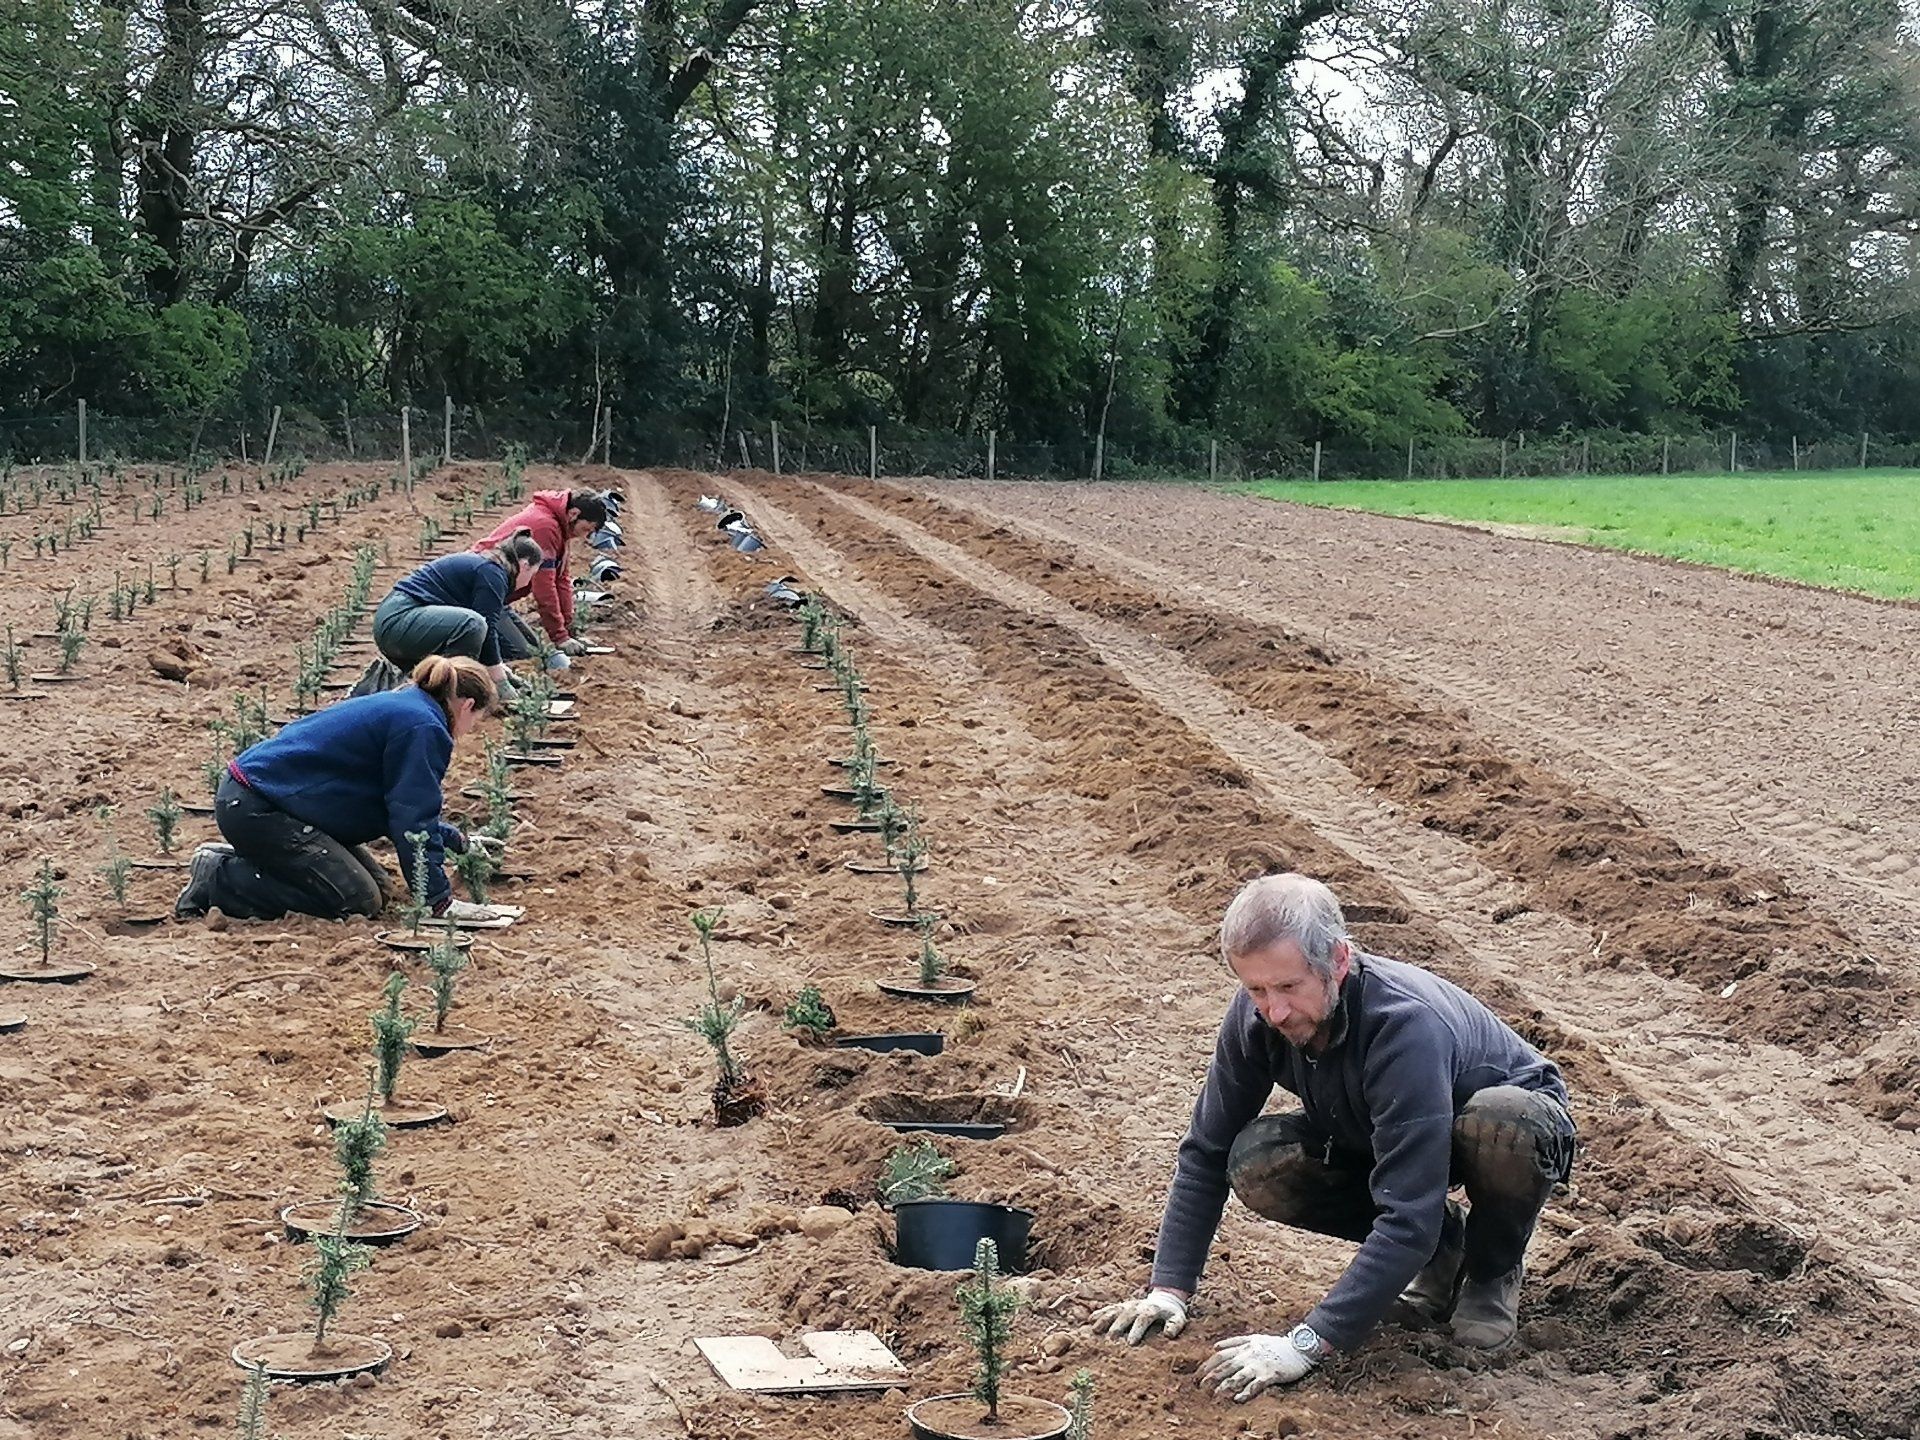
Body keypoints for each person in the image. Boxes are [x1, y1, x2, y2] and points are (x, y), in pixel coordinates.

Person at [1091, 873, 1574, 1402]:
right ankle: (1443, 1250)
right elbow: (1206, 1152)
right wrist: (1168, 1291)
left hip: (1500, 1126)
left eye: (1288, 987)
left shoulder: (1403, 1025)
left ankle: (1490, 1269)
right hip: (1387, 1125)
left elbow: (1406, 1217)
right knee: (1258, 1160)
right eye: (1256, 989)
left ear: (1338, 961)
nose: (1274, 1011)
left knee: (1503, 1123)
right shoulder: (1257, 1019)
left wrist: (1305, 1344)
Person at [173, 656, 513, 924]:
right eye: (477, 719)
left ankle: (244, 863)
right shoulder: (424, 727)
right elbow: (412, 816)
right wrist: (439, 902)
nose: (470, 730)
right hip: (260, 806)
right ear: (466, 705)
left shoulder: (412, 707)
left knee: (380, 890)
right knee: (356, 900)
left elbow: (397, 807)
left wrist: (457, 841)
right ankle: (219, 879)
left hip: (269, 799)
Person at [368, 529, 543, 700]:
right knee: (473, 624)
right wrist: (499, 680)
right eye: (532, 574)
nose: (529, 581)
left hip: (396, 620)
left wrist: (499, 668)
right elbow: (487, 627)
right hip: (399, 619)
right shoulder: (493, 573)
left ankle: (437, 693)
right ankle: (453, 694)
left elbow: (483, 637)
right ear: (524, 565)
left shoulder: (489, 567)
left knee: (473, 627)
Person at [471, 488, 607, 660]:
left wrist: (568, 630)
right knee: (520, 653)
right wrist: (560, 637)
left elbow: (561, 580)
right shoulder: (545, 527)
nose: (585, 536)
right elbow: (544, 588)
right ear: (574, 514)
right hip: (479, 592)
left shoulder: (561, 529)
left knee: (535, 648)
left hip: (499, 597)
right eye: (586, 529)